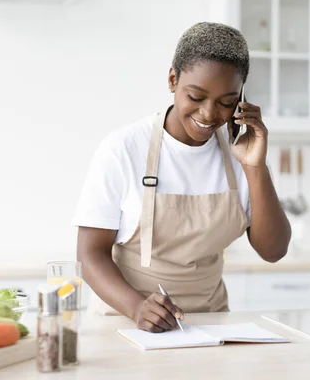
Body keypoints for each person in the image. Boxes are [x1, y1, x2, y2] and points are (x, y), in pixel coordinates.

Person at [73, 22, 291, 333]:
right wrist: (137, 307)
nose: (209, 114)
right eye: (196, 96)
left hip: (211, 326)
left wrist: (256, 167)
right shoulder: (123, 149)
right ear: (173, 79)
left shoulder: (239, 154)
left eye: (226, 102)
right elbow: (89, 254)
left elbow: (274, 251)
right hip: (125, 324)